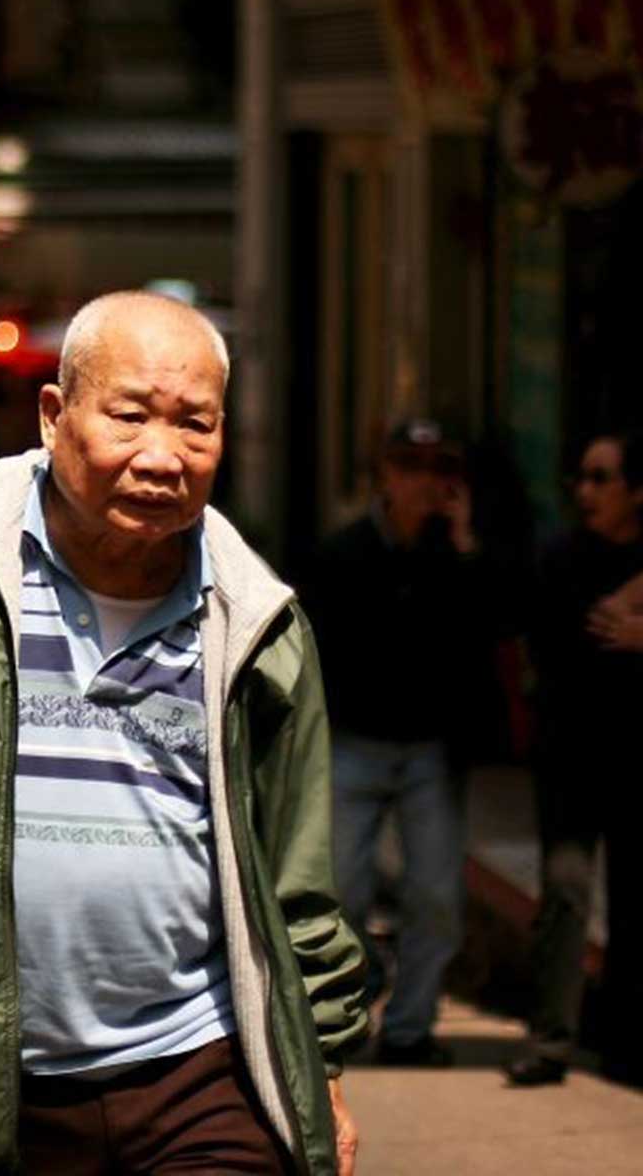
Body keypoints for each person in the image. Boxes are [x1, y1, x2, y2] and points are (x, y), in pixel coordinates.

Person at [0, 291, 366, 1176]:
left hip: (202, 1075)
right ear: (55, 415)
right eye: (129, 417)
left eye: (195, 427)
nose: (162, 456)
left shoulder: (257, 624)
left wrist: (318, 1069)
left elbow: (299, 888)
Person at [303, 418, 511, 1068]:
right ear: (386, 475)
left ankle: (410, 1028)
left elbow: (500, 625)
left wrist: (468, 544)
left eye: (439, 470)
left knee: (436, 895)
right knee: (342, 891)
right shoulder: (343, 553)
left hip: (430, 752)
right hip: (352, 744)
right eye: (411, 467)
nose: (425, 483)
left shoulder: (461, 559)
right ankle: (344, 1012)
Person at [507, 429, 643, 1087]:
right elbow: (556, 638)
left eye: (600, 478)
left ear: (637, 492)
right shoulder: (560, 557)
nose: (584, 491)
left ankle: (623, 1041)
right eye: (581, 478)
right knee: (564, 891)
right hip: (571, 755)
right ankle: (552, 1041)